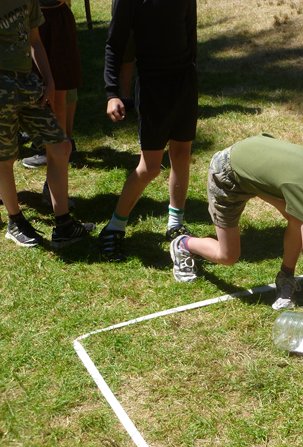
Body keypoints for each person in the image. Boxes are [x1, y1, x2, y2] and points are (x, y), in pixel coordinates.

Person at [169, 134, 303, 323]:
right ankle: (183, 244)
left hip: (250, 156)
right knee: (228, 255)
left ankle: (286, 277)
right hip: (227, 177)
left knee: (297, 218)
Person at [99, 0, 198, 261]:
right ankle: (113, 228)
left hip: (184, 82)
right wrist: (112, 92)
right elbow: (115, 44)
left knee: (181, 154)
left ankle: (175, 224)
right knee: (150, 167)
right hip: (153, 86)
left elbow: (190, 31)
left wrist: (191, 75)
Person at [0, 0, 94, 248]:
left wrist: (49, 80)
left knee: (61, 146)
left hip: (28, 84)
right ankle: (15, 221)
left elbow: (35, 40)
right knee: (5, 158)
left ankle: (64, 225)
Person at [21, 0, 81, 171]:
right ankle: (55, 147)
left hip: (54, 18)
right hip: (33, 18)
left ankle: (58, 150)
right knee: (40, 91)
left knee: (58, 93)